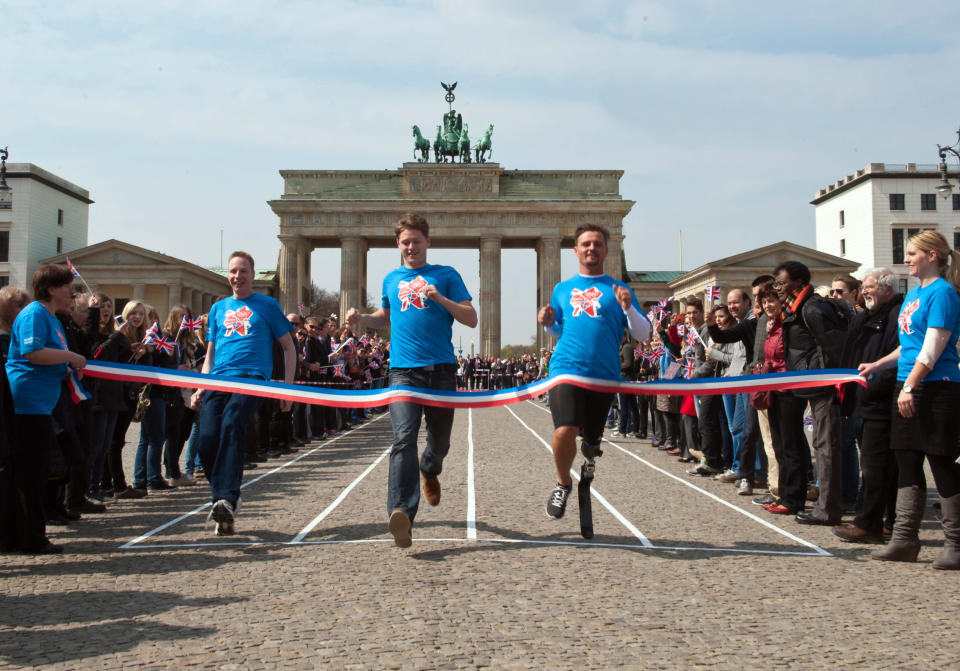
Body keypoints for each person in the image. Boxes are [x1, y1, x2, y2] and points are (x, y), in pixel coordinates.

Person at [347, 213, 476, 548]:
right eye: (405, 241)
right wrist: (362, 317)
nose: (411, 247)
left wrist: (441, 299)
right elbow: (386, 317)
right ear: (398, 244)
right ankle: (401, 512)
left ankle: (430, 468)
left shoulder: (446, 275)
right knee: (403, 439)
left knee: (441, 443)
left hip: (442, 371)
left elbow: (471, 318)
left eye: (416, 241)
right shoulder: (391, 279)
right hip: (402, 371)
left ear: (427, 242)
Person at [859, 232, 960, 569]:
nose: (907, 258)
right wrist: (878, 364)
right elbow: (909, 344)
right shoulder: (912, 294)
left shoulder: (942, 293)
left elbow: (934, 345)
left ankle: (956, 543)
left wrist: (910, 386)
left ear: (932, 256)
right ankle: (904, 538)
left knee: (941, 462)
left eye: (913, 252)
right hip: (908, 384)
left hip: (934, 388)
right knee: (906, 461)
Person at [537, 224, 649, 522]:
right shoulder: (562, 288)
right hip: (566, 368)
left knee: (590, 440)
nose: (591, 248)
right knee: (565, 430)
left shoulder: (618, 290)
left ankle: (591, 449)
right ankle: (563, 482)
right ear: (575, 250)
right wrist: (548, 323)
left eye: (597, 244)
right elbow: (558, 329)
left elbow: (643, 332)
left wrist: (628, 309)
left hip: (603, 373)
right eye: (585, 244)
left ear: (606, 250)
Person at [190, 251, 296, 536]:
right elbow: (210, 354)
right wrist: (201, 385)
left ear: (252, 274)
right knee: (207, 441)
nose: (238, 276)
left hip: (252, 380)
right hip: (218, 380)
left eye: (243, 271)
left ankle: (227, 497)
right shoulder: (217, 309)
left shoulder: (268, 305)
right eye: (233, 271)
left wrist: (285, 388)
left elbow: (288, 348)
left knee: (232, 423)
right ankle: (223, 503)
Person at [5, 265, 87, 553]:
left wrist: (67, 362)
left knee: (37, 471)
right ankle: (30, 537)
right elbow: (33, 352)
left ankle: (26, 534)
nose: (72, 293)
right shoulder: (35, 313)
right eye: (67, 287)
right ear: (51, 289)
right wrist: (70, 356)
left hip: (42, 403)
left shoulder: (52, 317)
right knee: (30, 472)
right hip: (27, 403)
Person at [772, 260, 850, 526]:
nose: (777, 288)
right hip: (807, 383)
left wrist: (828, 378)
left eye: (781, 283)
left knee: (826, 447)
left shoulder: (813, 308)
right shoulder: (794, 309)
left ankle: (827, 510)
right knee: (820, 445)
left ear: (798, 282)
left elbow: (835, 347)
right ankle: (824, 505)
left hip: (823, 384)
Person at [833, 268, 903, 543]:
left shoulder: (896, 315)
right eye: (863, 286)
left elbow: (897, 356)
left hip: (883, 398)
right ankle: (876, 519)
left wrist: (873, 384)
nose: (864, 291)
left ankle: (872, 523)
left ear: (887, 289)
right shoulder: (864, 318)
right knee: (875, 465)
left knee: (878, 466)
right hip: (864, 398)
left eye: (870, 286)